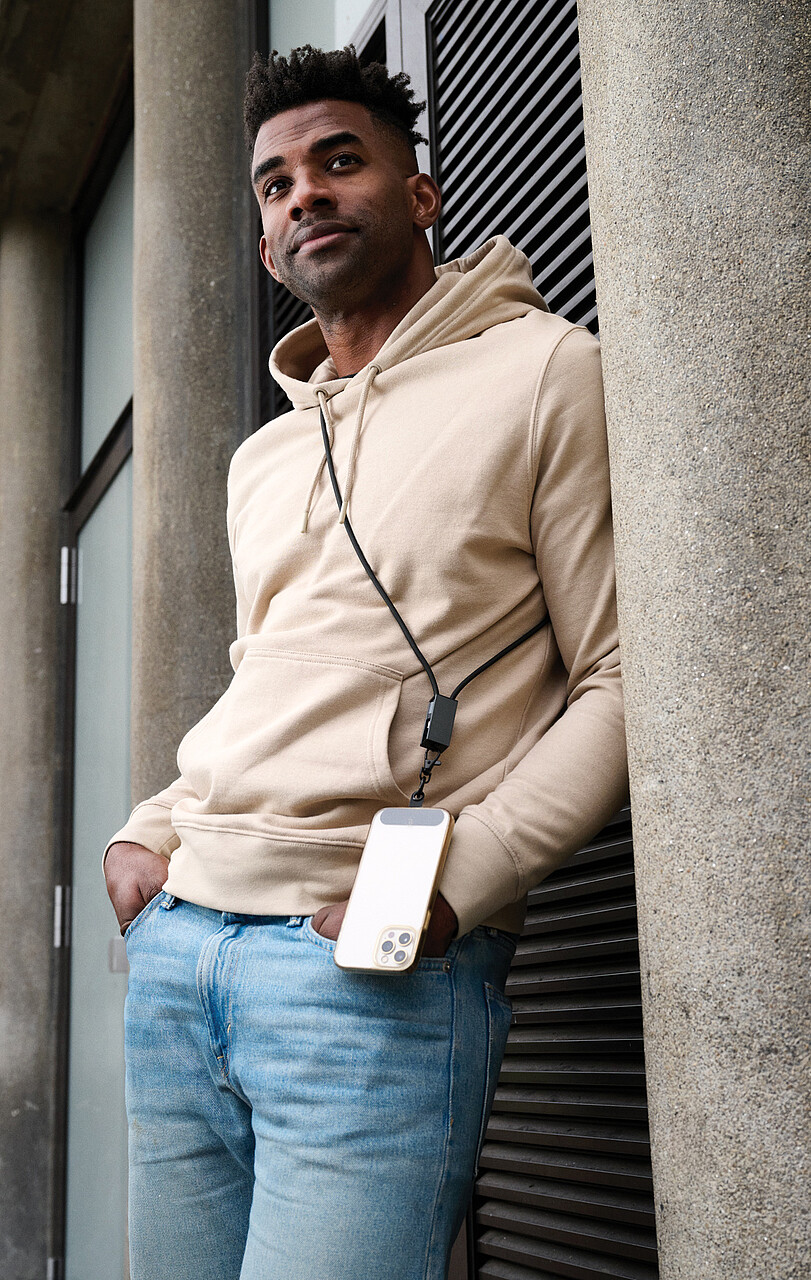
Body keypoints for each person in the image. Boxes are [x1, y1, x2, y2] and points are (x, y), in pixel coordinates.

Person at [104, 45, 628, 1280]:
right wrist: (151, 828)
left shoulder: (546, 373)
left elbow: (618, 678)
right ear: (265, 238)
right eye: (276, 182)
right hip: (180, 956)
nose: (306, 194)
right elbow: (268, 677)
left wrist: (465, 879)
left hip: (362, 966)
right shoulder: (262, 457)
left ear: (419, 192)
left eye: (339, 162)